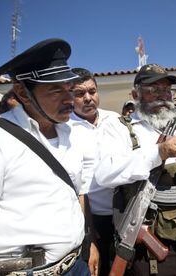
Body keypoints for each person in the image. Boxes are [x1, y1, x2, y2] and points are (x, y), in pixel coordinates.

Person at [0, 38, 98, 276]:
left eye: (70, 89)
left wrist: (88, 244)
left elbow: (76, 197)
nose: (69, 99)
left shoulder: (71, 134)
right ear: (22, 92)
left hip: (77, 265)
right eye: (55, 90)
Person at [95, 63, 176, 276]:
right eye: (153, 89)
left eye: (166, 90)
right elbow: (105, 174)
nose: (162, 95)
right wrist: (159, 152)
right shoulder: (118, 128)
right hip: (152, 250)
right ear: (135, 94)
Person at [67, 67, 118, 276]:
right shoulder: (65, 129)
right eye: (80, 93)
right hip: (90, 221)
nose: (88, 98)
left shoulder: (116, 120)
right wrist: (90, 238)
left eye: (92, 91)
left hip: (125, 215)